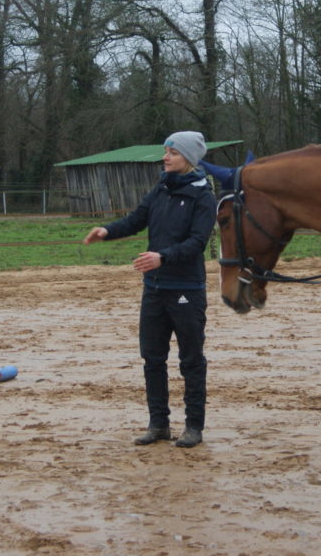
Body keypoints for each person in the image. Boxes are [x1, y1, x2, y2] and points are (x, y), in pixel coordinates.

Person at [83, 131, 217, 447]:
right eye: (165, 151)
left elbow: (197, 242)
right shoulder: (161, 187)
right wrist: (107, 231)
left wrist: (163, 257)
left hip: (186, 289)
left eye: (171, 152)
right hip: (154, 289)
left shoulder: (203, 196)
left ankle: (194, 427)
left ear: (188, 158)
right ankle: (158, 425)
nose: (165, 157)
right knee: (152, 358)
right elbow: (136, 220)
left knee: (191, 360)